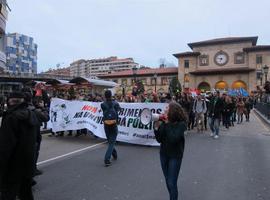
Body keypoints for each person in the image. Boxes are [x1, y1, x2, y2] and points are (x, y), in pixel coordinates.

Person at [0, 92, 39, 200]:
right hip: (28, 162)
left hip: (13, 165)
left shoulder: (10, 117)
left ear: (9, 102)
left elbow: (6, 146)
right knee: (26, 193)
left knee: (8, 193)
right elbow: (37, 139)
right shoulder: (32, 115)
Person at [154, 102, 187, 200]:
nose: (164, 110)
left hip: (175, 156)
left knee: (172, 182)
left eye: (167, 108)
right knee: (168, 181)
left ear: (173, 111)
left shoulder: (181, 125)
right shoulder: (165, 123)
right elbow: (159, 139)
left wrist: (166, 123)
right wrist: (156, 127)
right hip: (164, 154)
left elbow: (173, 138)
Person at [101, 90, 120, 167]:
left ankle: (114, 154)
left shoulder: (102, 104)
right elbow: (119, 109)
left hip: (106, 124)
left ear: (105, 96)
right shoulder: (115, 103)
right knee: (112, 142)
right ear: (111, 95)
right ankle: (107, 159)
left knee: (110, 141)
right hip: (114, 124)